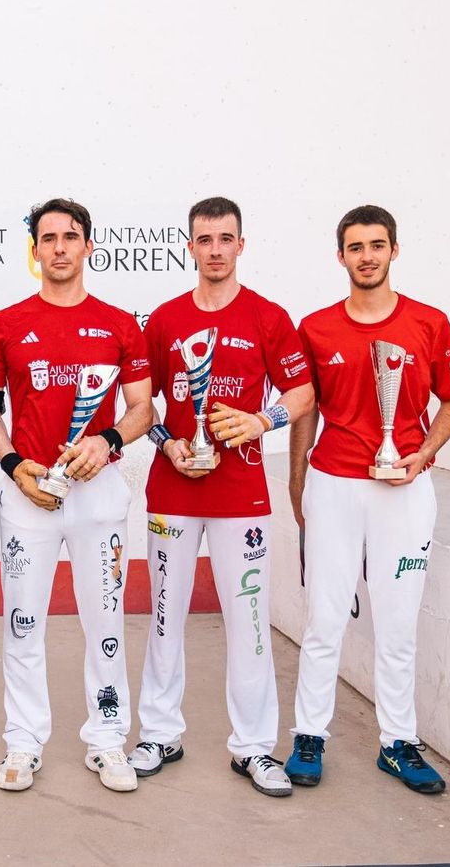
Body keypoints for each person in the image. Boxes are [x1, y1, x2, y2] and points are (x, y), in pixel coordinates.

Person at [134, 197, 316, 796]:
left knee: (250, 623)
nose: (215, 250)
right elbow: (143, 406)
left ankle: (255, 748)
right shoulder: (162, 321)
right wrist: (166, 444)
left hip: (241, 495)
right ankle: (160, 734)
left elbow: (303, 392)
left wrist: (261, 422)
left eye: (225, 239)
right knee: (165, 617)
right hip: (173, 492)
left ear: (242, 245)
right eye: (204, 239)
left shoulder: (267, 316)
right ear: (189, 247)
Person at [285, 204, 450, 795]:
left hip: (405, 489)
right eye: (356, 247)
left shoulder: (430, 323)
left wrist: (422, 456)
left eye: (377, 245)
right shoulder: (314, 328)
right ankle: (309, 736)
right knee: (325, 621)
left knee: (397, 625)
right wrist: (298, 480)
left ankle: (398, 743)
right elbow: (305, 411)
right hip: (334, 486)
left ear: (393, 251)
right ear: (340, 256)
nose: (367, 256)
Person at [0, 198, 154, 793]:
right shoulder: (4, 324)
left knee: (104, 621)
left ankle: (107, 741)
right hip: (30, 497)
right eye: (47, 238)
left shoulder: (121, 324)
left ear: (88, 247)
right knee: (24, 623)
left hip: (98, 496)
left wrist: (105, 441)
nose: (58, 247)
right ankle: (23, 743)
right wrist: (14, 465)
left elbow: (142, 408)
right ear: (34, 251)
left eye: (69, 237)